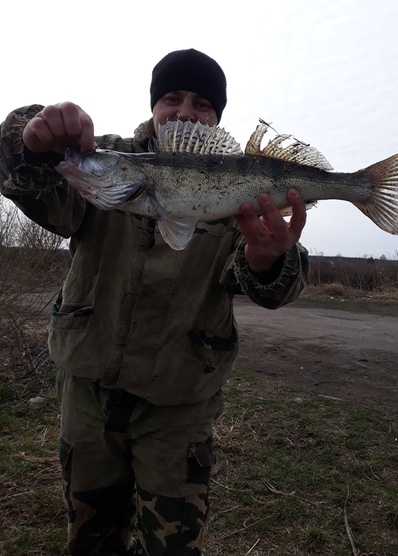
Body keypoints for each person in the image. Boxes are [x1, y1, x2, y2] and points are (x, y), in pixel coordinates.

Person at [0, 48, 309, 556]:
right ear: (153, 106)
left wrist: (267, 260)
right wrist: (31, 138)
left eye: (203, 103)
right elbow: (34, 187)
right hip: (88, 388)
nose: (186, 111)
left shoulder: (237, 185)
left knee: (173, 545)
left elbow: (271, 285)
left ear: (217, 118)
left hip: (179, 403)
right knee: (90, 538)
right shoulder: (107, 160)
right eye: (172, 97)